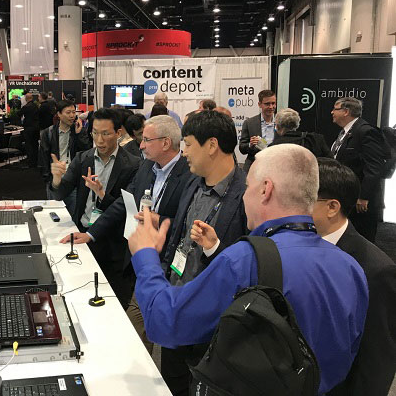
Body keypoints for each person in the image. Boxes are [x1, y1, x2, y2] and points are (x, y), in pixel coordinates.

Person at [130, 144, 369, 395]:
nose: (244, 196)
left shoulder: (244, 260)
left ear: (266, 189)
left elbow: (165, 322)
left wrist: (146, 255)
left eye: (247, 187)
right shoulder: (351, 267)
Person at [61, 115, 191, 345]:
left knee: (148, 330)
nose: (141, 145)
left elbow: (189, 222)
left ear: (165, 143)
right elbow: (123, 203)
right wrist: (90, 234)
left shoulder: (189, 174)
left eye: (147, 140)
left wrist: (160, 220)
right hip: (140, 258)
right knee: (139, 326)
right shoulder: (146, 167)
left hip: (169, 264)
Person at [155, 110, 248, 395]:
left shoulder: (246, 195)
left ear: (212, 145)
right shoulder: (192, 183)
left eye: (188, 144)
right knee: (172, 382)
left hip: (213, 321)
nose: (183, 152)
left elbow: (250, 264)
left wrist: (215, 248)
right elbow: (179, 236)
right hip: (177, 302)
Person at [313, 158, 396, 396]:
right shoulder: (296, 247)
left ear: (332, 207)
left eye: (305, 199)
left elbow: (376, 363)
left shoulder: (375, 270)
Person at [50, 108, 140, 293]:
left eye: (105, 134)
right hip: (83, 232)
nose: (99, 140)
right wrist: (57, 180)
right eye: (95, 133)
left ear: (118, 133)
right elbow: (60, 195)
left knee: (111, 295)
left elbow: (126, 208)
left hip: (113, 241)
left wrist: (101, 194)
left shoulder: (133, 164)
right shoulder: (83, 158)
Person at [331, 97, 387, 243]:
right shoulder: (345, 132)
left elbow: (374, 167)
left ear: (346, 112)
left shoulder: (366, 131)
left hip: (361, 202)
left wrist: (364, 196)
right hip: (347, 196)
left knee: (362, 241)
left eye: (335, 109)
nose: (332, 112)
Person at [38, 100, 91, 213]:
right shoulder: (48, 133)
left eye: (73, 112)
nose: (72, 115)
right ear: (59, 114)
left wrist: (79, 134)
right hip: (55, 178)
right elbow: (43, 158)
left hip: (73, 178)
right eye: (68, 112)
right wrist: (48, 179)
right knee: (55, 212)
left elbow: (86, 152)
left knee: (73, 213)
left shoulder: (78, 131)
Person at [239, 89, 276, 172]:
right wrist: (250, 144)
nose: (271, 107)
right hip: (254, 166)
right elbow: (242, 148)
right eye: (267, 104)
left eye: (273, 103)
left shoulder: (280, 123)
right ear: (259, 104)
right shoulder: (249, 123)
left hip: (275, 166)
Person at [18, 93, 40, 167]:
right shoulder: (36, 106)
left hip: (28, 128)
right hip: (36, 127)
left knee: (29, 145)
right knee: (35, 144)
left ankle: (30, 162)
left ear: (26, 98)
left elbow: (19, 113)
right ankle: (35, 161)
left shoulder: (26, 107)